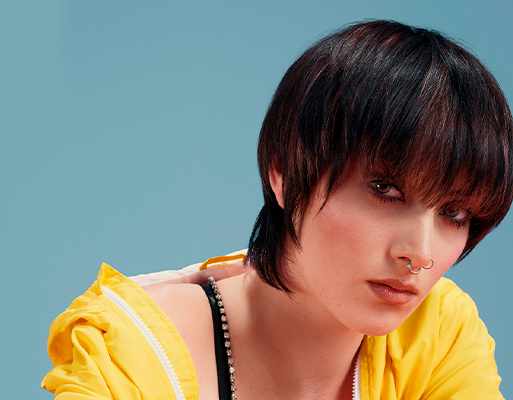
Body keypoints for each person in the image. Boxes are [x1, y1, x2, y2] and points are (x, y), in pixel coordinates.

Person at [42, 20, 512, 399]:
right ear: (283, 172)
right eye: (385, 190)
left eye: (454, 213)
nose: (421, 254)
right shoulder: (130, 353)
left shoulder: (436, 332)